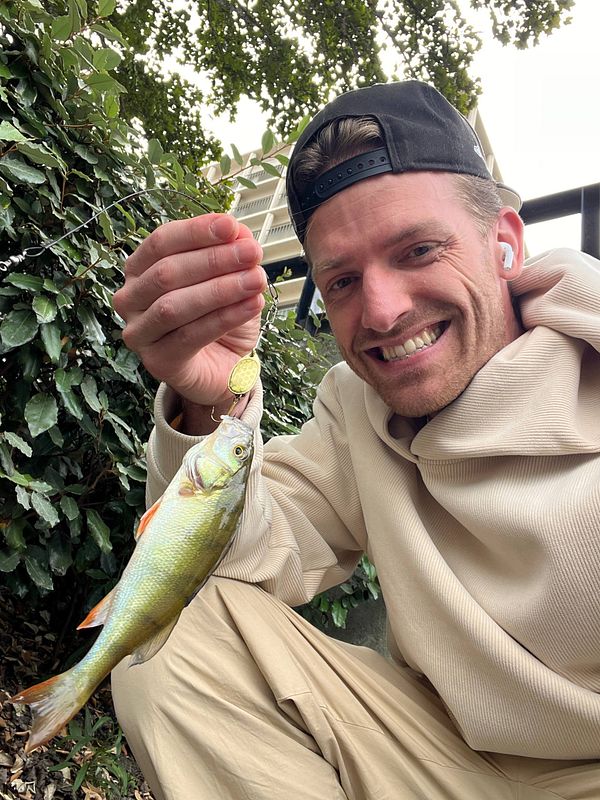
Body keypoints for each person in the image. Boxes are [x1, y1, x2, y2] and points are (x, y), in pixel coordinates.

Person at [111, 81, 600, 799]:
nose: (380, 311)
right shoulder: (355, 409)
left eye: (418, 249)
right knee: (168, 631)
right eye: (341, 281)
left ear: (504, 242)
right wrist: (207, 404)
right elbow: (224, 559)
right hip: (431, 755)